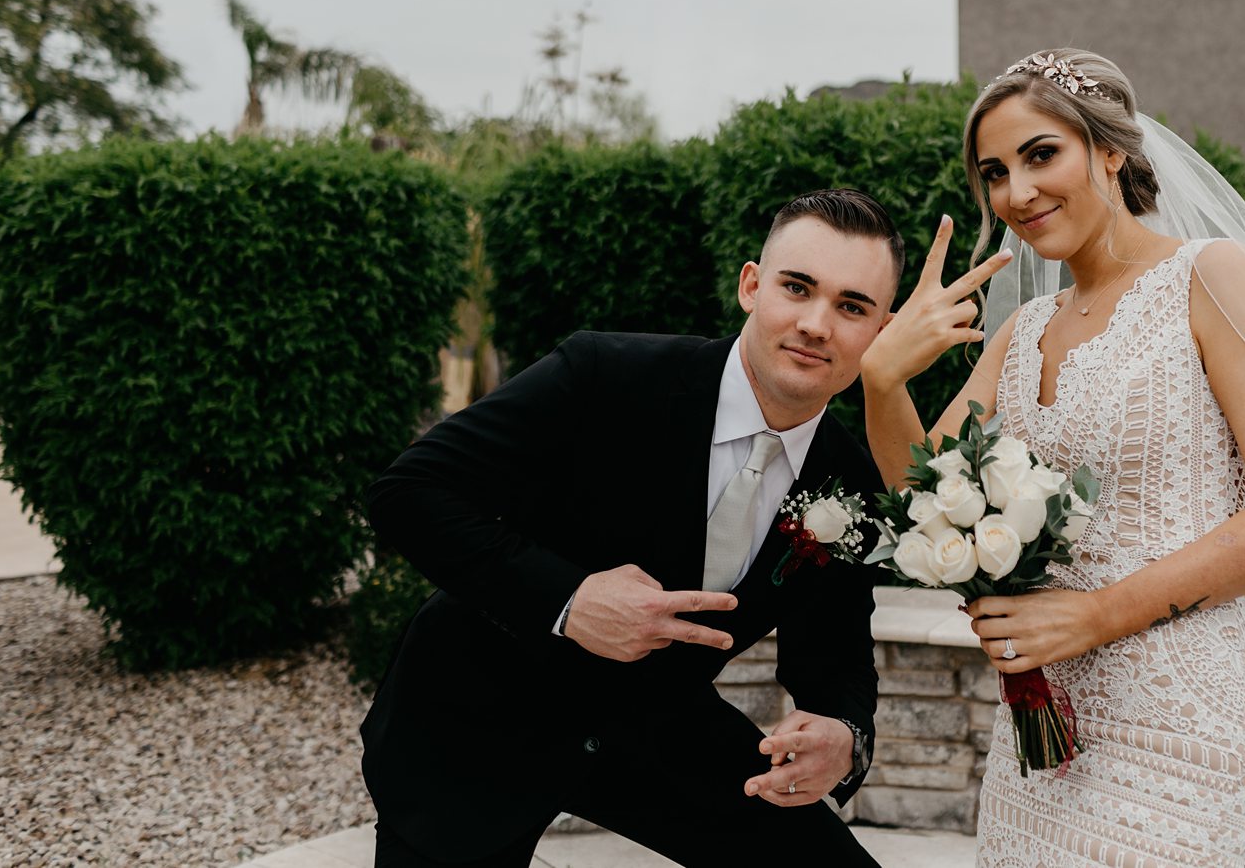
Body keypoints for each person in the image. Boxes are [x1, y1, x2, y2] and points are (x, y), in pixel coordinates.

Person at [860, 49, 1245, 866]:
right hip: (1043, 731)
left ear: (1110, 150)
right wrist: (882, 380)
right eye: (994, 171)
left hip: (1179, 719)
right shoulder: (1022, 332)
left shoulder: (1209, 277)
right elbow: (924, 505)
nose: (1016, 192)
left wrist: (1095, 615)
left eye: (1039, 154)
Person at [360, 189, 903, 868]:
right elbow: (407, 492)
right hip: (476, 711)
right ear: (751, 286)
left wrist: (842, 731)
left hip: (656, 720)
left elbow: (834, 656)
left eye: (852, 306)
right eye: (798, 287)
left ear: (880, 330)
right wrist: (568, 599)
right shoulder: (604, 375)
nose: (817, 323)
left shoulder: (852, 484)